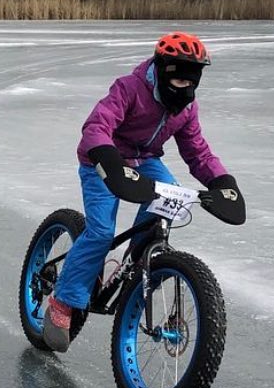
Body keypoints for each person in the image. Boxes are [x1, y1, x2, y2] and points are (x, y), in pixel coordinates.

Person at [42, 31, 244, 352]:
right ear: (163, 72)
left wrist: (222, 183)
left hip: (144, 160)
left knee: (171, 196)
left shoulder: (186, 108)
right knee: (101, 232)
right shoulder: (129, 88)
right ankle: (63, 302)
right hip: (102, 159)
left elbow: (197, 151)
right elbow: (97, 127)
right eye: (179, 80)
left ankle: (135, 264)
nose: (185, 88)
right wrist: (109, 160)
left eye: (192, 82)